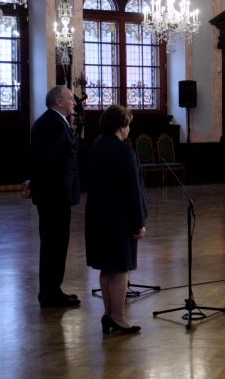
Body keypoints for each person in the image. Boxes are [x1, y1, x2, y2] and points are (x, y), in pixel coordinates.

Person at [85, 105, 147, 334]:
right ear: (122, 126)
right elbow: (133, 190)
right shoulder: (123, 151)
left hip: (98, 215)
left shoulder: (97, 146)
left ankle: (109, 314)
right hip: (120, 219)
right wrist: (139, 221)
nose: (129, 128)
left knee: (107, 268)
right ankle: (119, 317)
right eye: (128, 124)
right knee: (120, 268)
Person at [30, 86, 81, 308]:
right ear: (59, 101)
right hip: (55, 196)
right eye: (71, 98)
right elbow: (48, 162)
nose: (74, 102)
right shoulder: (53, 124)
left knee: (55, 244)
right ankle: (50, 294)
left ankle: (52, 290)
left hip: (53, 195)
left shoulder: (51, 121)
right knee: (55, 245)